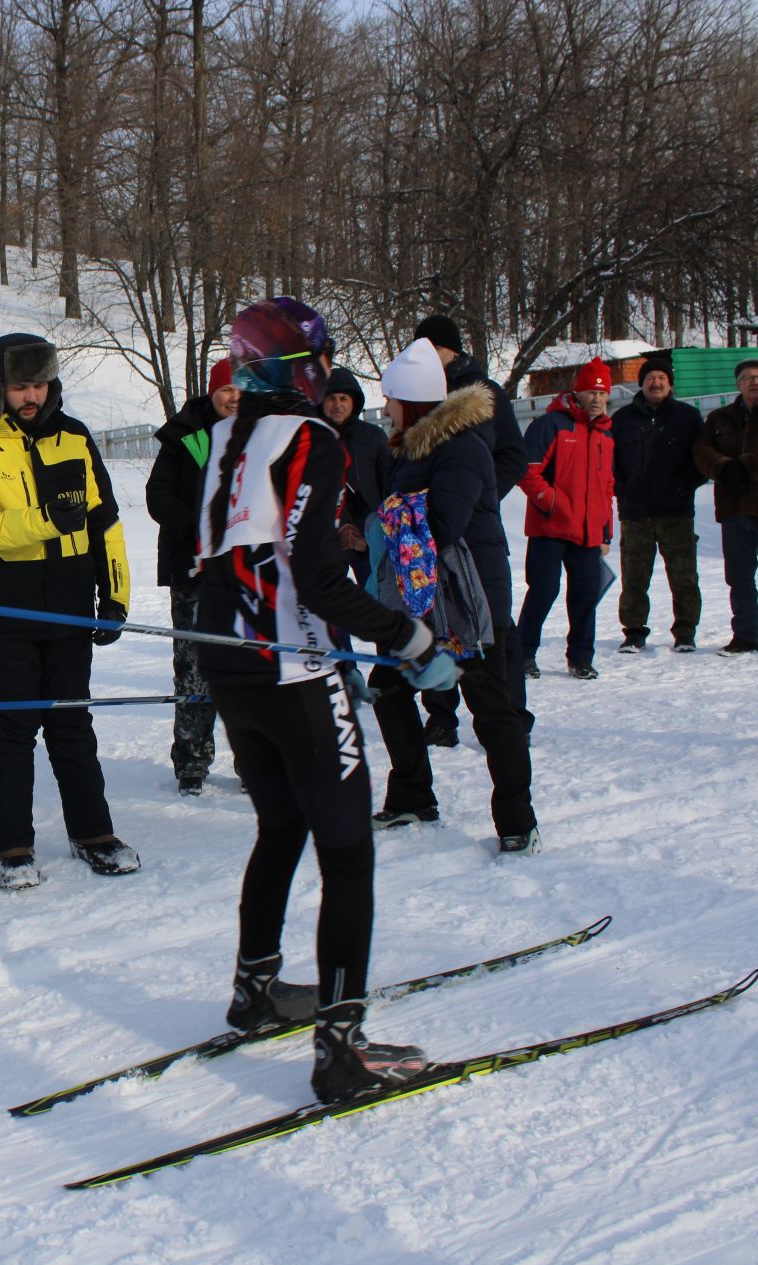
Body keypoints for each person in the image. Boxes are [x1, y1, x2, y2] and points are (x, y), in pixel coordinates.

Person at [194, 300, 456, 1103]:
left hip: (232, 664)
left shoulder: (231, 437)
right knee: (347, 850)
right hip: (293, 670)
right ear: (302, 365)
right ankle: (341, 1050)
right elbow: (315, 575)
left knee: (281, 826)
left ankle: (256, 990)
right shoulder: (311, 438)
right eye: (322, 358)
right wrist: (411, 639)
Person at [0, 332, 138, 890]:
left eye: (39, 384)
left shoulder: (73, 436)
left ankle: (93, 833)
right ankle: (13, 846)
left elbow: (106, 522)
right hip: (4, 609)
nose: (31, 396)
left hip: (71, 602)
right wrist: (45, 519)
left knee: (73, 722)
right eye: (20, 385)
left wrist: (115, 593)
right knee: (13, 727)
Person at [364, 339, 539, 855]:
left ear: (412, 402)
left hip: (471, 601)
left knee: (490, 708)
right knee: (390, 690)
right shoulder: (413, 448)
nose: (386, 409)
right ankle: (413, 796)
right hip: (421, 600)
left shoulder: (460, 445)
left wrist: (388, 517)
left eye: (391, 400)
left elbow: (442, 523)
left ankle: (516, 818)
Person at [410, 315, 529, 745]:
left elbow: (515, 455)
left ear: (450, 350)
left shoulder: (485, 393)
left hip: (476, 535)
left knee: (492, 629)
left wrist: (476, 493)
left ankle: (512, 714)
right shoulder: (422, 392)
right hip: (433, 529)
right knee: (435, 621)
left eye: (431, 348)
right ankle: (441, 716)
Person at [145, 357, 237, 796]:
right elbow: (157, 496)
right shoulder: (186, 436)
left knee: (247, 668)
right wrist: (195, 524)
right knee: (194, 669)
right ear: (211, 392)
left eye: (241, 391)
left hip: (247, 575)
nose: (233, 398)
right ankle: (192, 761)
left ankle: (255, 760)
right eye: (225, 390)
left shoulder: (262, 434)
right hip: (195, 569)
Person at [517, 358, 616, 680]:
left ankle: (581, 658)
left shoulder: (606, 435)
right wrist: (553, 502)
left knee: (586, 596)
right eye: (591, 392)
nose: (597, 399)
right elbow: (527, 472)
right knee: (543, 591)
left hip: (588, 534)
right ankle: (523, 654)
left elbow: (607, 487)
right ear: (578, 392)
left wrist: (605, 532)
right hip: (551, 528)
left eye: (603, 394)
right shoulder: (552, 425)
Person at [611, 353, 705, 654]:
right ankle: (634, 632)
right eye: (651, 378)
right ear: (642, 384)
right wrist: (621, 489)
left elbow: (701, 460)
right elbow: (610, 463)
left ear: (671, 385)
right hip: (635, 512)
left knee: (684, 576)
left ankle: (686, 632)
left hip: (676, 512)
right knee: (634, 576)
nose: (656, 383)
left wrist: (682, 487)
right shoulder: (622, 419)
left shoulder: (688, 417)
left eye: (662, 379)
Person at [695, 358, 758, 655]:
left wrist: (749, 467)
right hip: (733, 510)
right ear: (738, 384)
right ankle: (744, 636)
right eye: (748, 377)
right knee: (739, 578)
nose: (755, 382)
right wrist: (722, 467)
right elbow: (702, 450)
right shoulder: (719, 418)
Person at [323, 366, 393, 588]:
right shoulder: (313, 440)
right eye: (331, 398)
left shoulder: (374, 437)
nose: (337, 404)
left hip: (369, 535)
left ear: (354, 401)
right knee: (331, 607)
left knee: (376, 600)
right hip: (328, 538)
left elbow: (388, 486)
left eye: (344, 398)